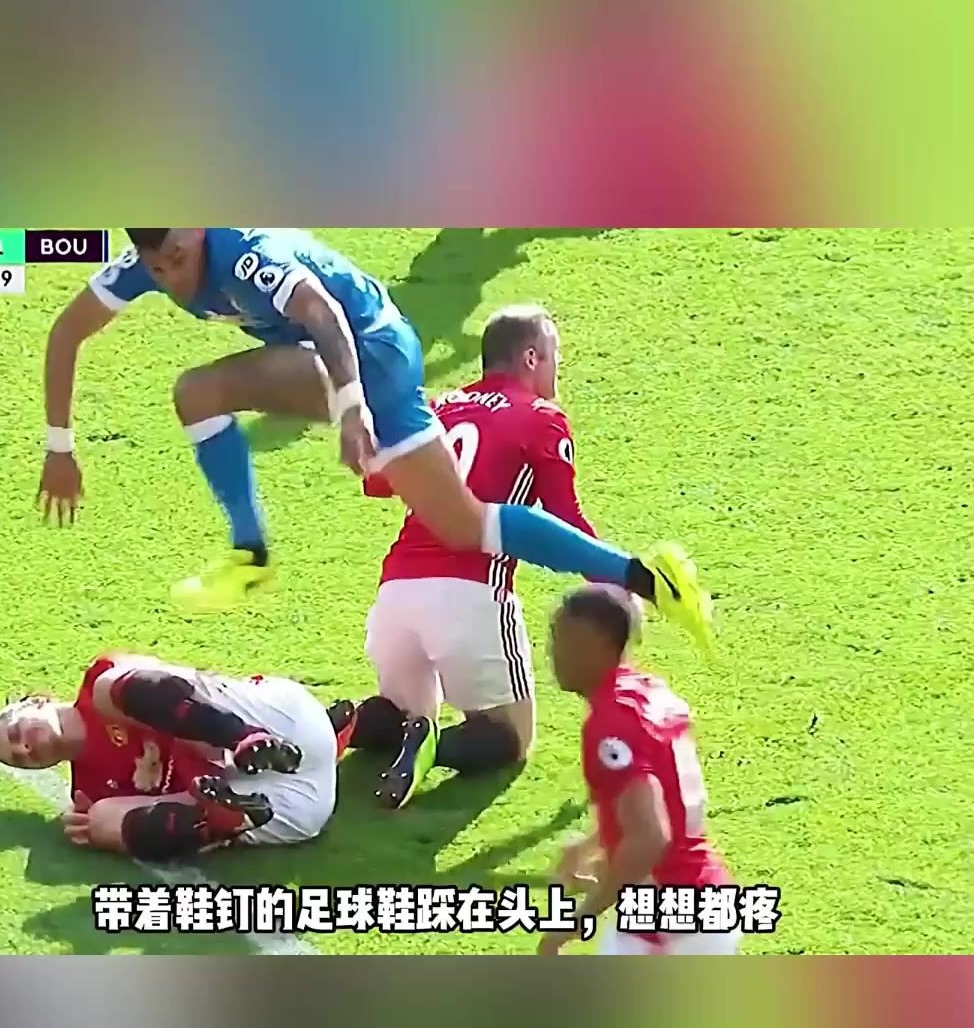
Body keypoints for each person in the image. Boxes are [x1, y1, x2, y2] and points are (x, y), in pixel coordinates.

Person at [36, 228, 712, 652]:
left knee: (199, 391)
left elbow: (325, 314)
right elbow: (67, 332)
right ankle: (645, 576)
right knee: (466, 524)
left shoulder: (247, 255)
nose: (173, 279)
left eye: (179, 260)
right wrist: (59, 445)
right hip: (355, 355)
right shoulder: (147, 260)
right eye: (158, 269)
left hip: (369, 353)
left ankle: (250, 554)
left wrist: (352, 405)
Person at [353, 304, 602, 807]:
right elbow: (564, 517)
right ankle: (431, 747)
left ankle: (347, 722)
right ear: (530, 357)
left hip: (395, 594)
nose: (558, 365)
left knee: (401, 711)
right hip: (472, 593)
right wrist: (613, 577)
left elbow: (376, 481)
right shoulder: (541, 418)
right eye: (554, 354)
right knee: (511, 736)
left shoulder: (438, 409)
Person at [0, 652, 355, 861]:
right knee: (100, 820)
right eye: (19, 759)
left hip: (277, 723)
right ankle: (220, 821)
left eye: (16, 733)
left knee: (109, 688)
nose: (24, 749)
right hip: (291, 806)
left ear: (37, 701)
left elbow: (176, 685)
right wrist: (103, 832)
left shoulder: (99, 678)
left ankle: (243, 739)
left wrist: (211, 750)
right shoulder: (90, 791)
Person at [539, 586, 737, 956]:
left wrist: (579, 918)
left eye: (562, 640)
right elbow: (661, 801)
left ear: (596, 645)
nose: (552, 653)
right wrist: (592, 845)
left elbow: (649, 837)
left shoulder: (610, 726)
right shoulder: (648, 692)